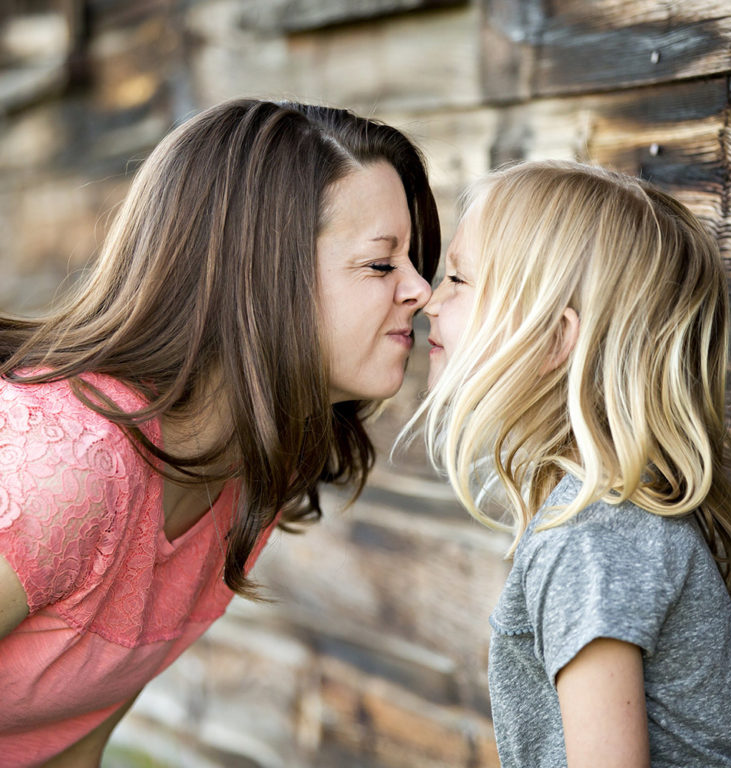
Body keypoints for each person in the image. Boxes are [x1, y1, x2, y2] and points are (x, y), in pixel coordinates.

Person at [0, 98, 439, 765]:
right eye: (381, 264)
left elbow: (72, 745)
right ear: (259, 276)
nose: (421, 289)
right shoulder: (67, 469)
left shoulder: (244, 473)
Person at [407, 160, 731, 767]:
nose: (429, 302)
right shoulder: (604, 520)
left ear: (553, 339)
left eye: (459, 280)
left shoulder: (590, 541)